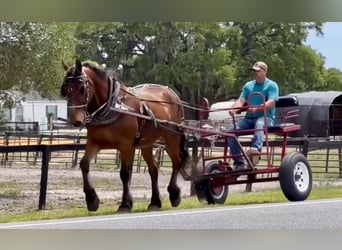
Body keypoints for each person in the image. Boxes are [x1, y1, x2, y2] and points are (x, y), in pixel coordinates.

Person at [227, 61, 279, 170]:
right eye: (254, 71)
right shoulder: (248, 86)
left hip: (266, 118)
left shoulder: (272, 85)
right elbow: (240, 101)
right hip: (248, 119)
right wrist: (234, 109)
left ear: (264, 72)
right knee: (230, 132)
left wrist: (257, 108)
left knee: (260, 124)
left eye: (257, 71)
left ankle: (255, 152)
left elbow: (271, 103)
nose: (255, 73)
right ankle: (239, 162)